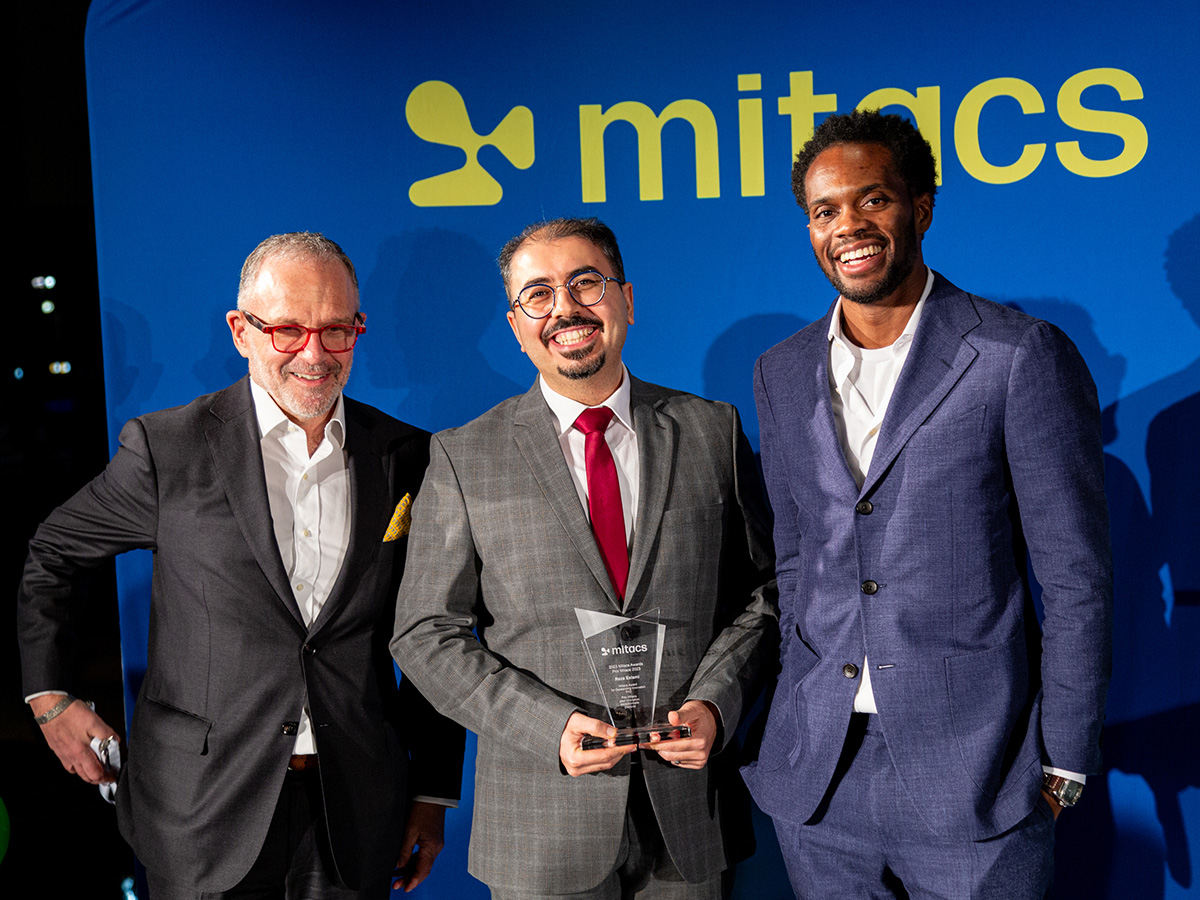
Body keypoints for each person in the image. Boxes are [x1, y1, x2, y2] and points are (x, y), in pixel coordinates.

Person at [17, 232, 464, 899]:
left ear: (358, 329)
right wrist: (50, 697)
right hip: (199, 809)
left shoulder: (409, 456)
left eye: (336, 330)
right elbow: (54, 555)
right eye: (287, 330)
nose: (314, 354)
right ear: (241, 331)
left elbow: (436, 632)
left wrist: (431, 791)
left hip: (356, 812)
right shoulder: (166, 449)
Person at [741, 109, 1113, 899]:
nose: (848, 225)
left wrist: (1066, 758)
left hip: (980, 773)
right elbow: (797, 558)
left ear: (921, 207)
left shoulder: (1016, 355)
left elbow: (1074, 576)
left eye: (872, 200)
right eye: (825, 210)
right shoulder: (781, 370)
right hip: (820, 779)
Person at [390, 217, 778, 899]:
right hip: (540, 823)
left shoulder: (712, 431)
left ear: (626, 298)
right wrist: (550, 727)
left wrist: (717, 705)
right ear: (516, 326)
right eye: (538, 295)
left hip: (689, 817)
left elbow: (767, 593)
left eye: (586, 284)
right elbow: (425, 634)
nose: (565, 309)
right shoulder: (463, 455)